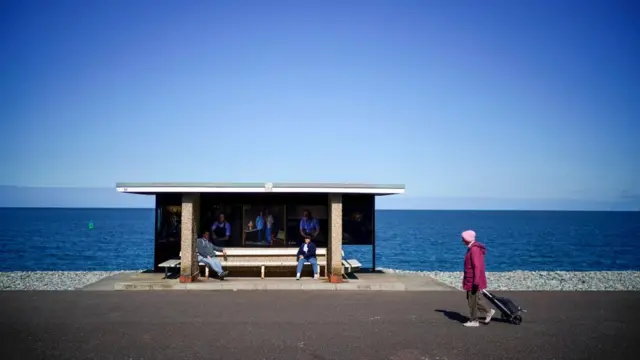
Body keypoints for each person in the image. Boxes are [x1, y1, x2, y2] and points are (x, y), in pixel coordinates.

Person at [461, 230, 495, 327]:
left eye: (463, 238)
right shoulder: (471, 248)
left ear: (467, 239)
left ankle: (474, 320)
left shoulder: (474, 249)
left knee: (472, 300)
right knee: (473, 298)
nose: (462, 240)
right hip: (470, 279)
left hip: (473, 280)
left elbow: (477, 266)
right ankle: (488, 312)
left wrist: (476, 281)